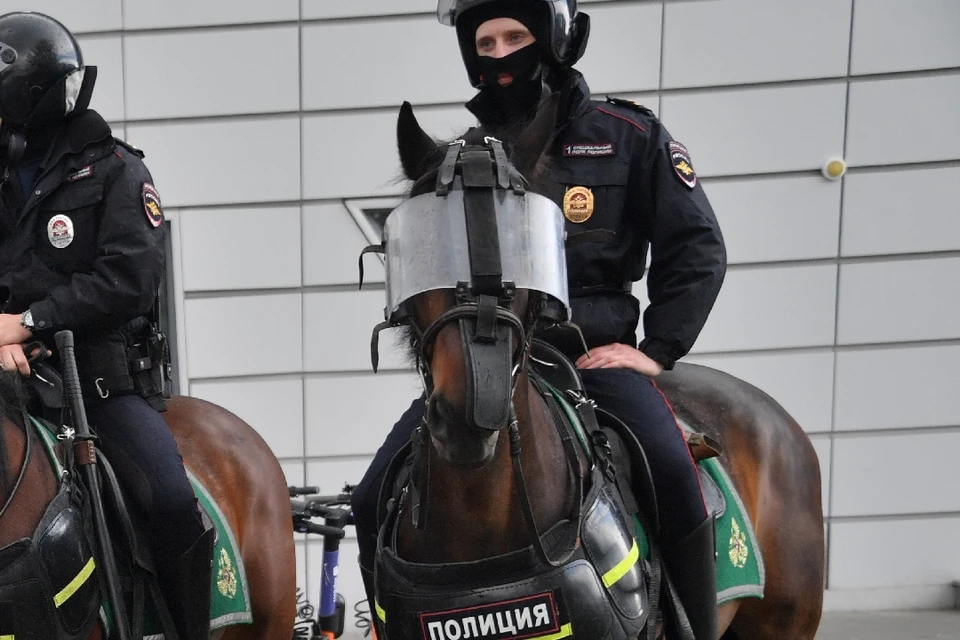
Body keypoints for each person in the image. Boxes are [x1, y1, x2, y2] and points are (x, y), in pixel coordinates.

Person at [353, 1, 726, 638]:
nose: (499, 55)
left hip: (593, 363)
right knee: (369, 498)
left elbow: (696, 248)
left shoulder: (626, 134)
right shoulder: (458, 164)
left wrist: (657, 350)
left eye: (515, 36)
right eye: (486, 41)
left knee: (671, 472)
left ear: (554, 39)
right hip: (490, 362)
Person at [0, 12, 213, 640]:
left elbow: (129, 278)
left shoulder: (118, 170)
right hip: (10, 375)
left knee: (170, 501)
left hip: (95, 384)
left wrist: (29, 323)